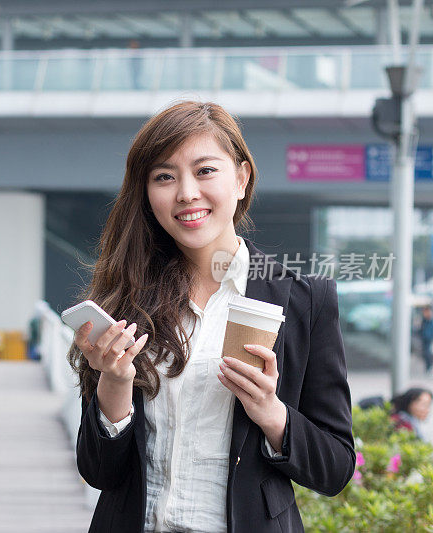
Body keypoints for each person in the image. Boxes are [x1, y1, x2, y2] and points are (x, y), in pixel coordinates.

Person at [68, 101, 355, 533]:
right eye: (164, 177)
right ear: (146, 195)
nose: (186, 193)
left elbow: (335, 468)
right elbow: (99, 473)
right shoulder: (125, 300)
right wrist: (114, 381)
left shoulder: (304, 300)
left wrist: (272, 413)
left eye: (205, 171)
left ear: (241, 179)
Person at [419, 305, 433, 374]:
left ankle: (429, 366)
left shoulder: (431, 320)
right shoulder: (424, 320)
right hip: (424, 338)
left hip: (429, 339)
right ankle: (428, 367)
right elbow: (421, 329)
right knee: (425, 353)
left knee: (428, 353)